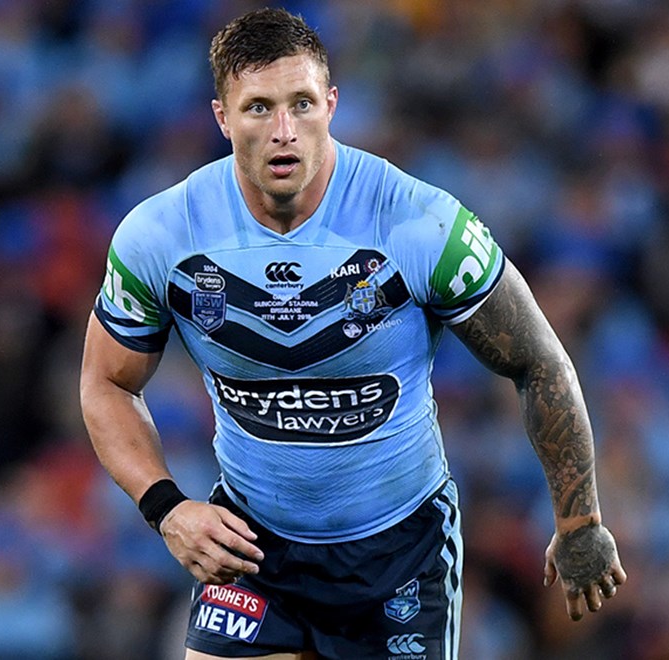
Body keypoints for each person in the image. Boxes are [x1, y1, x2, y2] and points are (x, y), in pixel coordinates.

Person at [80, 8, 626, 659]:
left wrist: (579, 521)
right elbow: (107, 382)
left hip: (399, 555)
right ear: (222, 118)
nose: (284, 131)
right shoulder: (162, 236)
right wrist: (167, 508)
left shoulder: (420, 225)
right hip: (253, 549)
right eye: (258, 109)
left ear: (332, 104)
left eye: (302, 104)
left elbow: (538, 362)